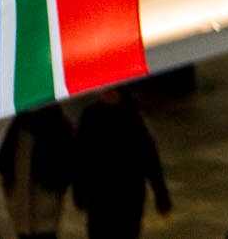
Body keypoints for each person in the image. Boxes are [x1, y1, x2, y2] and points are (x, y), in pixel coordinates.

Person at [72, 87, 171, 239]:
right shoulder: (90, 117)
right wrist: (79, 191)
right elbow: (81, 158)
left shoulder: (133, 117)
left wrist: (161, 194)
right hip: (100, 199)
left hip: (128, 198)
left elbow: (150, 159)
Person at [0, 102, 75, 239]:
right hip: (21, 203)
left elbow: (67, 161)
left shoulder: (57, 125)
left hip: (46, 205)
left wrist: (57, 185)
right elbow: (4, 161)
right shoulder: (14, 129)